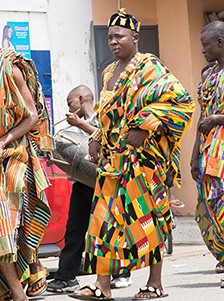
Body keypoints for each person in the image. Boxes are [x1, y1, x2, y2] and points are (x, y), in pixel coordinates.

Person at [68, 8, 195, 300]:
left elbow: (181, 103)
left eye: (119, 36)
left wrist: (145, 125)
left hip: (144, 162)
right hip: (113, 163)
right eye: (110, 37)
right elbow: (106, 114)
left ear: (135, 37)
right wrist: (97, 137)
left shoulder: (150, 67)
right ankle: (102, 286)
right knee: (102, 221)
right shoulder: (109, 72)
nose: (113, 41)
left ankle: (155, 283)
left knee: (147, 219)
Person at [47, 85, 132, 293]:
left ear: (82, 99)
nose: (69, 107)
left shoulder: (103, 114)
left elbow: (110, 137)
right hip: (82, 183)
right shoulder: (74, 127)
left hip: (103, 182)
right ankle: (66, 276)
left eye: (71, 102)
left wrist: (81, 125)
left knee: (108, 228)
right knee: (74, 230)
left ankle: (121, 273)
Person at [0, 48, 53, 301]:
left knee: (7, 230)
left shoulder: (9, 69)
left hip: (13, 159)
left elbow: (32, 116)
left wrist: (5, 140)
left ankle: (21, 291)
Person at [190, 20, 224, 289]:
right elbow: (202, 117)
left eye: (206, 44)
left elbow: (211, 117)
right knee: (210, 205)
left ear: (220, 43)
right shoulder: (208, 76)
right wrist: (193, 155)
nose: (203, 50)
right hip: (208, 151)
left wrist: (218, 118)